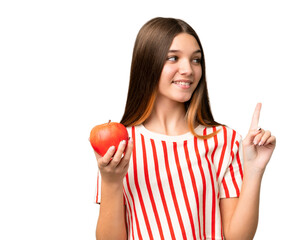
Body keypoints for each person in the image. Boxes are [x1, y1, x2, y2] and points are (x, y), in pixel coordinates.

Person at [94, 17, 276, 240]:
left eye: (196, 60)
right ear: (147, 63)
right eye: (173, 58)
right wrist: (111, 182)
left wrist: (254, 171)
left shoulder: (224, 141)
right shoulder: (121, 145)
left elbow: (237, 237)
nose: (188, 69)